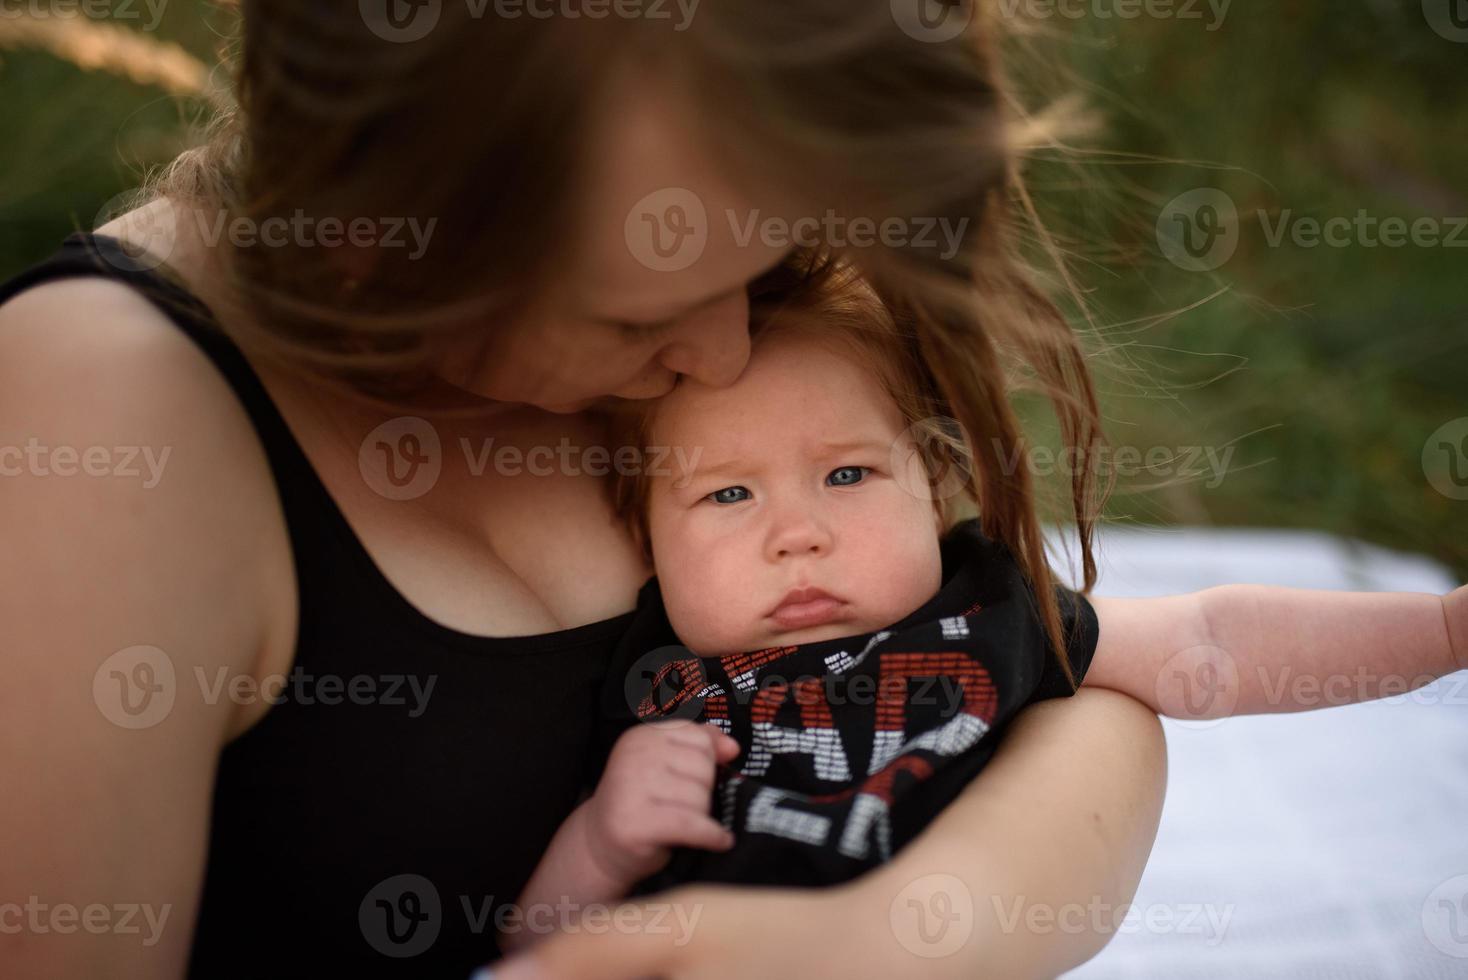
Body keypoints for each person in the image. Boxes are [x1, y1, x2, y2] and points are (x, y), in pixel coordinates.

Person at [0, 3, 1173, 978]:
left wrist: (884, 936)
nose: (724, 356)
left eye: (764, 265)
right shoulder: (104, 412)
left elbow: (1062, 687)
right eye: (639, 318)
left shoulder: (685, 206)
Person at [509, 268, 1466, 921]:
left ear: (934, 482)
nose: (795, 533)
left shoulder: (983, 616)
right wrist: (598, 843)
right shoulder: (657, 686)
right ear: (643, 537)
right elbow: (531, 947)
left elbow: (1209, 643)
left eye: (847, 475)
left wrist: (1441, 628)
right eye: (727, 494)